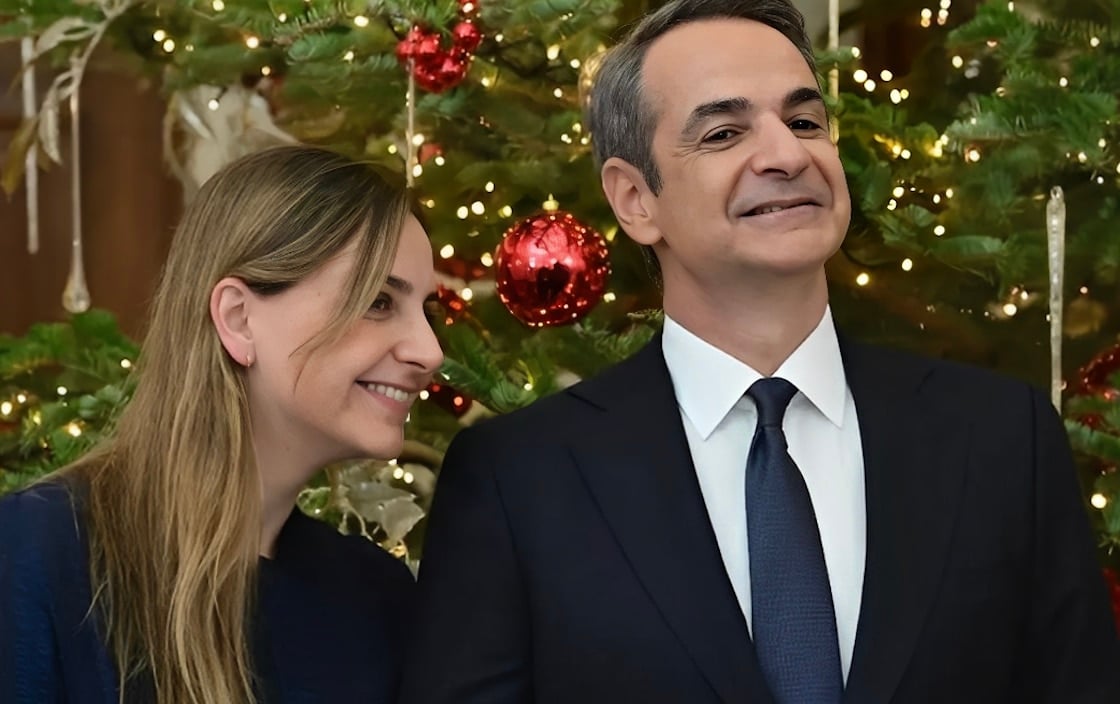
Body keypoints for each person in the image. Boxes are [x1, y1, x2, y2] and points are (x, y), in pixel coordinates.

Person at [399, 1, 1120, 702]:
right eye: (723, 133)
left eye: (805, 121)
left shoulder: (1001, 437)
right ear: (634, 199)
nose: (787, 154)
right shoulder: (519, 479)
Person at [0, 145, 443, 703]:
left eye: (428, 311)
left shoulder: (375, 597)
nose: (430, 351)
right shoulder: (36, 555)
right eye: (378, 301)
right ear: (238, 318)